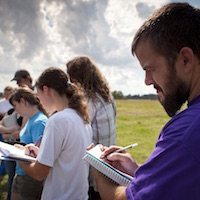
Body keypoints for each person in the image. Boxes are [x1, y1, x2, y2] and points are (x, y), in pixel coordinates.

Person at [92, 2, 200, 200]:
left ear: (185, 59)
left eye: (150, 69)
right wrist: (142, 172)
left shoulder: (186, 131)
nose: (147, 81)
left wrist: (100, 172)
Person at [17, 67, 92, 200]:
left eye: (38, 96)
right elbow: (66, 158)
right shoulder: (82, 117)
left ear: (46, 90)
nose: (39, 102)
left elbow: (39, 173)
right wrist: (40, 153)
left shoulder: (57, 120)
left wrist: (19, 157)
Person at [67, 55, 117, 200]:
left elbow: (77, 131)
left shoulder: (88, 101)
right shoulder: (106, 96)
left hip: (95, 166)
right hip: (108, 160)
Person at [9, 86, 48, 200]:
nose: (16, 110)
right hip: (21, 172)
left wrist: (18, 151)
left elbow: (39, 154)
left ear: (22, 101)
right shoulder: (31, 119)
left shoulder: (39, 122)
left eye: (15, 106)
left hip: (29, 177)